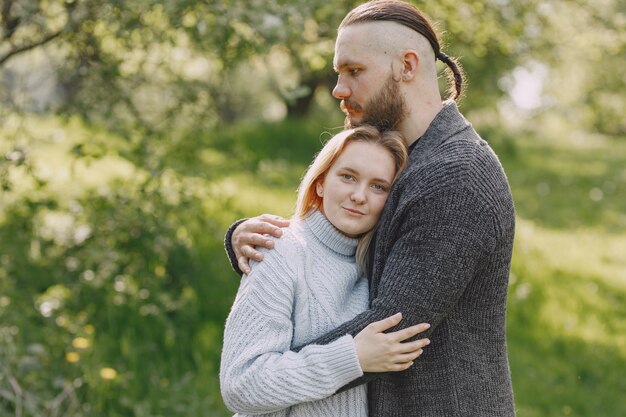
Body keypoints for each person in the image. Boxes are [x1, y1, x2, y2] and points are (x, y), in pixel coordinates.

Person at [224, 1, 517, 416]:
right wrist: (255, 241)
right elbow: (338, 246)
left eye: (354, 71)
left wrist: (261, 373)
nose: (338, 90)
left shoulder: (456, 174)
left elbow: (390, 327)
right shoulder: (409, 159)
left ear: (408, 66)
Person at [220, 125, 432, 417]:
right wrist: (352, 356)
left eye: (378, 186)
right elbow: (241, 384)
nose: (359, 196)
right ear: (320, 183)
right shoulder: (281, 250)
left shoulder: (380, 268)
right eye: (348, 177)